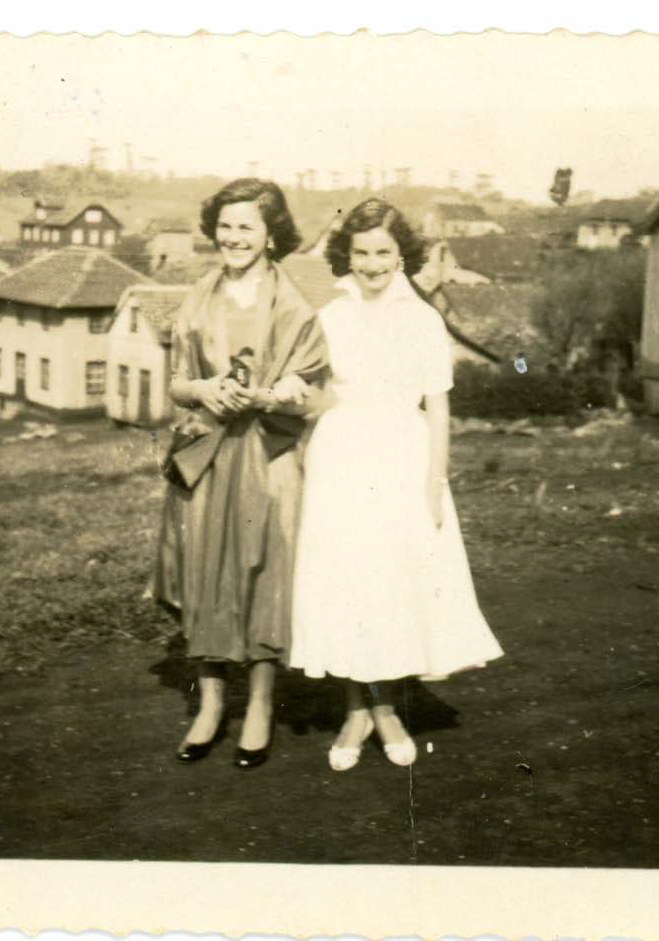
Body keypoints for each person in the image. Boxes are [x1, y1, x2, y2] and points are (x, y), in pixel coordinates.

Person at [288, 198, 503, 771]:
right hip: (341, 457)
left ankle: (384, 711)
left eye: (383, 252)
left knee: (391, 586)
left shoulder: (422, 320)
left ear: (401, 255)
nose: (372, 264)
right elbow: (321, 391)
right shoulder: (332, 316)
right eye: (361, 253)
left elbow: (437, 405)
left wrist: (434, 481)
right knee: (348, 585)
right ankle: (356, 711)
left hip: (403, 460)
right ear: (347, 255)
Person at [153, 179, 328, 769]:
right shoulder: (198, 298)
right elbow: (177, 384)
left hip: (266, 453)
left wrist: (273, 394)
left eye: (246, 226)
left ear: (271, 234)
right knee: (204, 571)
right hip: (206, 452)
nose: (232, 237)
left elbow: (311, 388)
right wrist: (205, 389)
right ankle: (209, 705)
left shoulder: (293, 305)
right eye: (225, 226)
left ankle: (259, 705)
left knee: (262, 572)